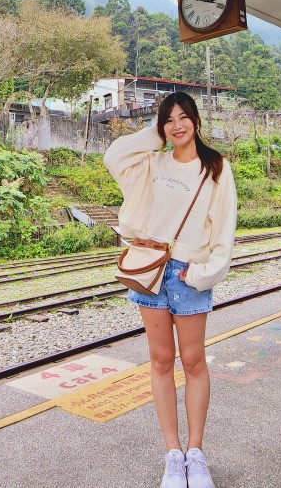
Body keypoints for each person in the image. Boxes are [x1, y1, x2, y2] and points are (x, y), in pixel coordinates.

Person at [104, 92, 237, 488]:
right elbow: (113, 156)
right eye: (168, 119)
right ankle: (172, 455)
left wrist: (203, 273)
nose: (177, 125)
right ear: (160, 127)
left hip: (187, 273)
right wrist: (153, 134)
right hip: (150, 270)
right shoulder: (151, 162)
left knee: (194, 363)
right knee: (161, 362)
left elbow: (224, 228)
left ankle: (196, 455)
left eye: (183, 117)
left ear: (196, 120)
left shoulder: (215, 167)